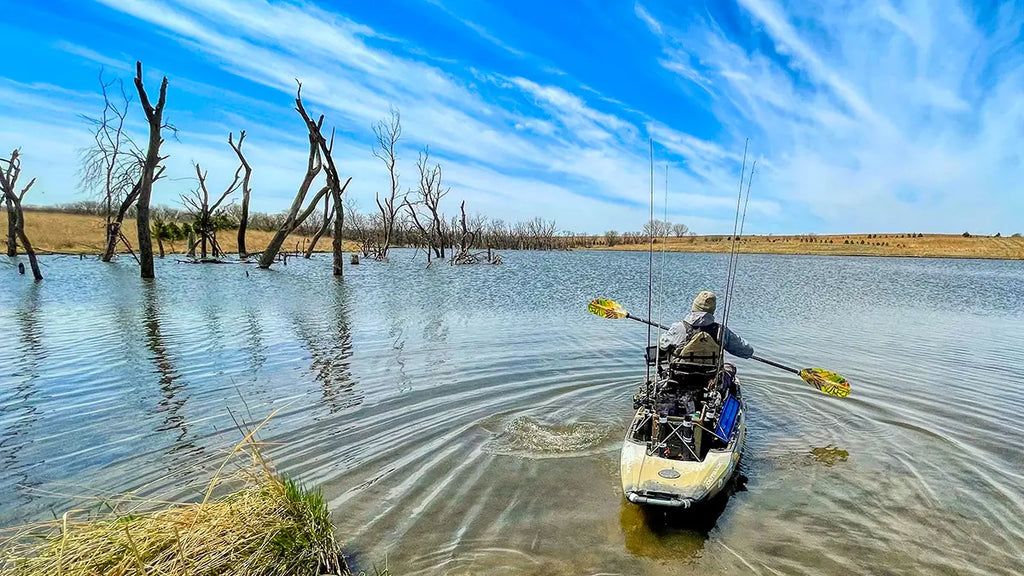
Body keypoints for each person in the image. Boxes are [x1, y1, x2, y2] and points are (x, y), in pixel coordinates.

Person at [658, 290, 753, 374]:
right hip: (710, 378)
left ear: (693, 307)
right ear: (713, 310)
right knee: (730, 367)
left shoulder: (678, 328)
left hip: (679, 376)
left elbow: (662, 345)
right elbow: (747, 351)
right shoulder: (721, 331)